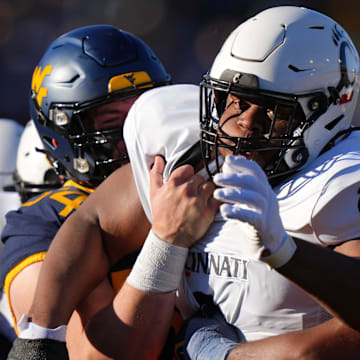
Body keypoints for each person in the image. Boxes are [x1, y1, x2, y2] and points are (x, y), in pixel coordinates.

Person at [7, 5, 360, 360]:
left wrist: (285, 255)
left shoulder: (340, 182)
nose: (243, 124)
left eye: (273, 111)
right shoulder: (181, 155)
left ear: (327, 110)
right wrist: (38, 336)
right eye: (234, 101)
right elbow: (93, 223)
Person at [0, 24, 171, 359]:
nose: (136, 134)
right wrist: (169, 241)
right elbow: (91, 355)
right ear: (59, 133)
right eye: (112, 122)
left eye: (143, 112)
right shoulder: (40, 226)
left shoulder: (191, 183)